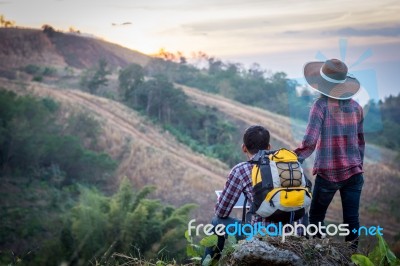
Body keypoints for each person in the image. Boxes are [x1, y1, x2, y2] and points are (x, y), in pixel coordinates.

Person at [294, 58, 365, 249]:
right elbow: (360, 142)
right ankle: (353, 256)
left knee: (316, 217)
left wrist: (293, 158)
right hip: (354, 173)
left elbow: (310, 141)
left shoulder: (321, 106)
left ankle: (318, 253)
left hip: (329, 174)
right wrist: (358, 165)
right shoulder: (357, 108)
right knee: (352, 218)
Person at [203, 125, 271, 261]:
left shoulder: (241, 170)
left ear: (244, 148)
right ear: (269, 147)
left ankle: (209, 264)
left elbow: (222, 212)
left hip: (260, 234)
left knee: (217, 222)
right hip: (289, 232)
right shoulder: (287, 168)